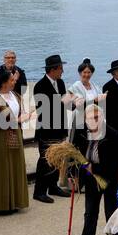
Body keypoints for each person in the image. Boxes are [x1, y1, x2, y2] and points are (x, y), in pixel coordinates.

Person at [71, 103, 118, 235]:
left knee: (111, 212)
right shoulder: (82, 134)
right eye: (89, 118)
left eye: (96, 117)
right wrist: (73, 175)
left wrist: (96, 169)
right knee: (90, 212)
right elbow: (76, 156)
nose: (93, 120)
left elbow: (116, 163)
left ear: (102, 117)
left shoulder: (113, 134)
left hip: (109, 179)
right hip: (91, 180)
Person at [0, 68, 32, 216]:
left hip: (15, 132)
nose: (14, 82)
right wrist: (20, 119)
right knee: (2, 167)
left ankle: (15, 201)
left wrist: (22, 117)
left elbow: (17, 113)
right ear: (4, 82)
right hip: (1, 134)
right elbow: (3, 119)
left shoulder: (15, 95)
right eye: (12, 80)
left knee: (15, 165)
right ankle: (1, 204)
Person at [32, 54, 72, 203]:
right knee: (45, 160)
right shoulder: (39, 86)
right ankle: (39, 191)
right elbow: (43, 110)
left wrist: (73, 103)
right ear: (53, 69)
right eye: (61, 68)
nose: (62, 71)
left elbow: (65, 103)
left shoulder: (60, 83)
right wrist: (62, 102)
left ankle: (53, 186)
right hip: (47, 129)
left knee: (58, 158)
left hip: (60, 127)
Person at [68, 58, 101, 130]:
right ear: (80, 73)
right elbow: (78, 105)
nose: (87, 74)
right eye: (84, 72)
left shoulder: (95, 86)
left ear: (92, 73)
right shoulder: (75, 86)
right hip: (81, 120)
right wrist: (95, 100)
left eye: (89, 72)